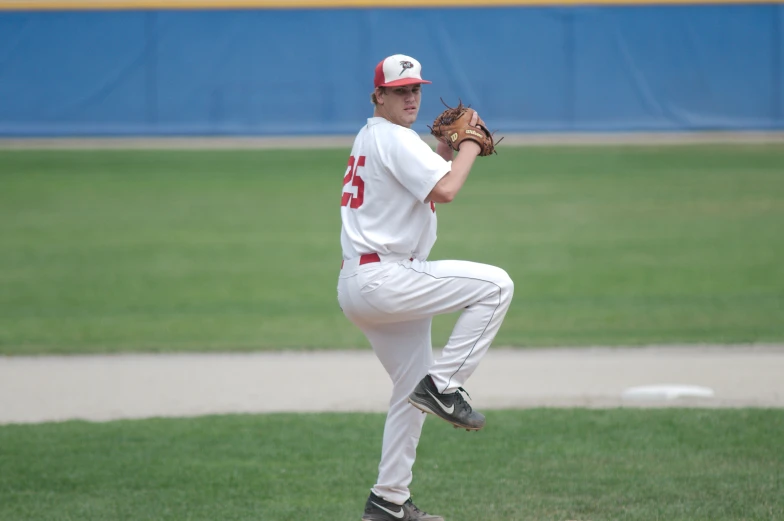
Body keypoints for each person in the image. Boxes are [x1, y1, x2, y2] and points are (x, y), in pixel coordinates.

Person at [337, 54, 514, 521]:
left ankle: (388, 501)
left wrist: (440, 147)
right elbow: (447, 191)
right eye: (399, 91)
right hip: (386, 277)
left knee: (409, 394)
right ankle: (447, 385)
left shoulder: (373, 136)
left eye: (415, 88)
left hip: (361, 281)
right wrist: (471, 145)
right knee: (495, 286)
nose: (411, 96)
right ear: (378, 96)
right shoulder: (394, 138)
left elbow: (421, 185)